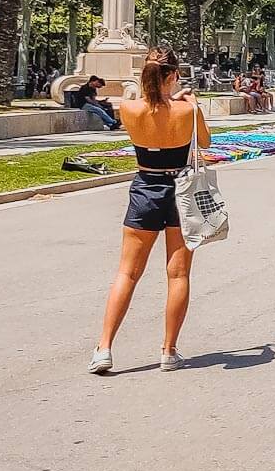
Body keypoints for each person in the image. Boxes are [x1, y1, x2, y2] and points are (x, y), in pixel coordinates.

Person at [88, 46, 209, 375]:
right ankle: (169, 350)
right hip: (180, 190)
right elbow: (206, 143)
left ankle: (104, 347)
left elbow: (148, 111)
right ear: (173, 75)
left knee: (127, 272)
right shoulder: (187, 111)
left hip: (146, 186)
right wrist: (192, 105)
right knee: (179, 274)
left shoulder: (129, 108)